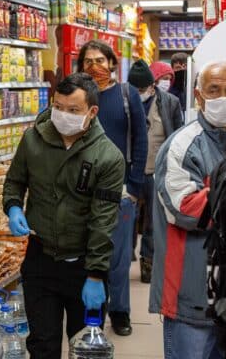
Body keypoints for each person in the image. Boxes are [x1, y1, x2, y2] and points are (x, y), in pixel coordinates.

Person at [3, 73, 125, 359]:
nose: (62, 115)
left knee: (84, 348)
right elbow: (15, 181)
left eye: (73, 111)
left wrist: (96, 275)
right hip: (40, 260)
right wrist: (13, 206)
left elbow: (103, 221)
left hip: (83, 265)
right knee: (42, 345)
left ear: (92, 112)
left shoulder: (108, 157)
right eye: (58, 107)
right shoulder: (33, 139)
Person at [150, 61, 226, 359]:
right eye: (214, 90)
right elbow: (187, 210)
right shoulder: (182, 145)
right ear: (198, 96)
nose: (222, 98)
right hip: (190, 295)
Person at [78, 40, 148, 336]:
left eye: (100, 60)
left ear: (112, 63)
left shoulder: (125, 94)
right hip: (83, 192)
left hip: (120, 191)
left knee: (118, 258)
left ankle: (120, 312)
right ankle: (94, 311)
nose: (94, 66)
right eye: (87, 61)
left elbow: (141, 140)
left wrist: (133, 186)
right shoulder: (78, 97)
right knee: (88, 256)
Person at [127, 60, 183, 284]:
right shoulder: (125, 100)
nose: (139, 94)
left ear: (152, 86)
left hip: (156, 171)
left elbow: (177, 135)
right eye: (135, 90)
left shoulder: (169, 102)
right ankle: (126, 253)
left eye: (142, 90)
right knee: (127, 218)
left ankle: (148, 263)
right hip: (130, 169)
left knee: (151, 220)